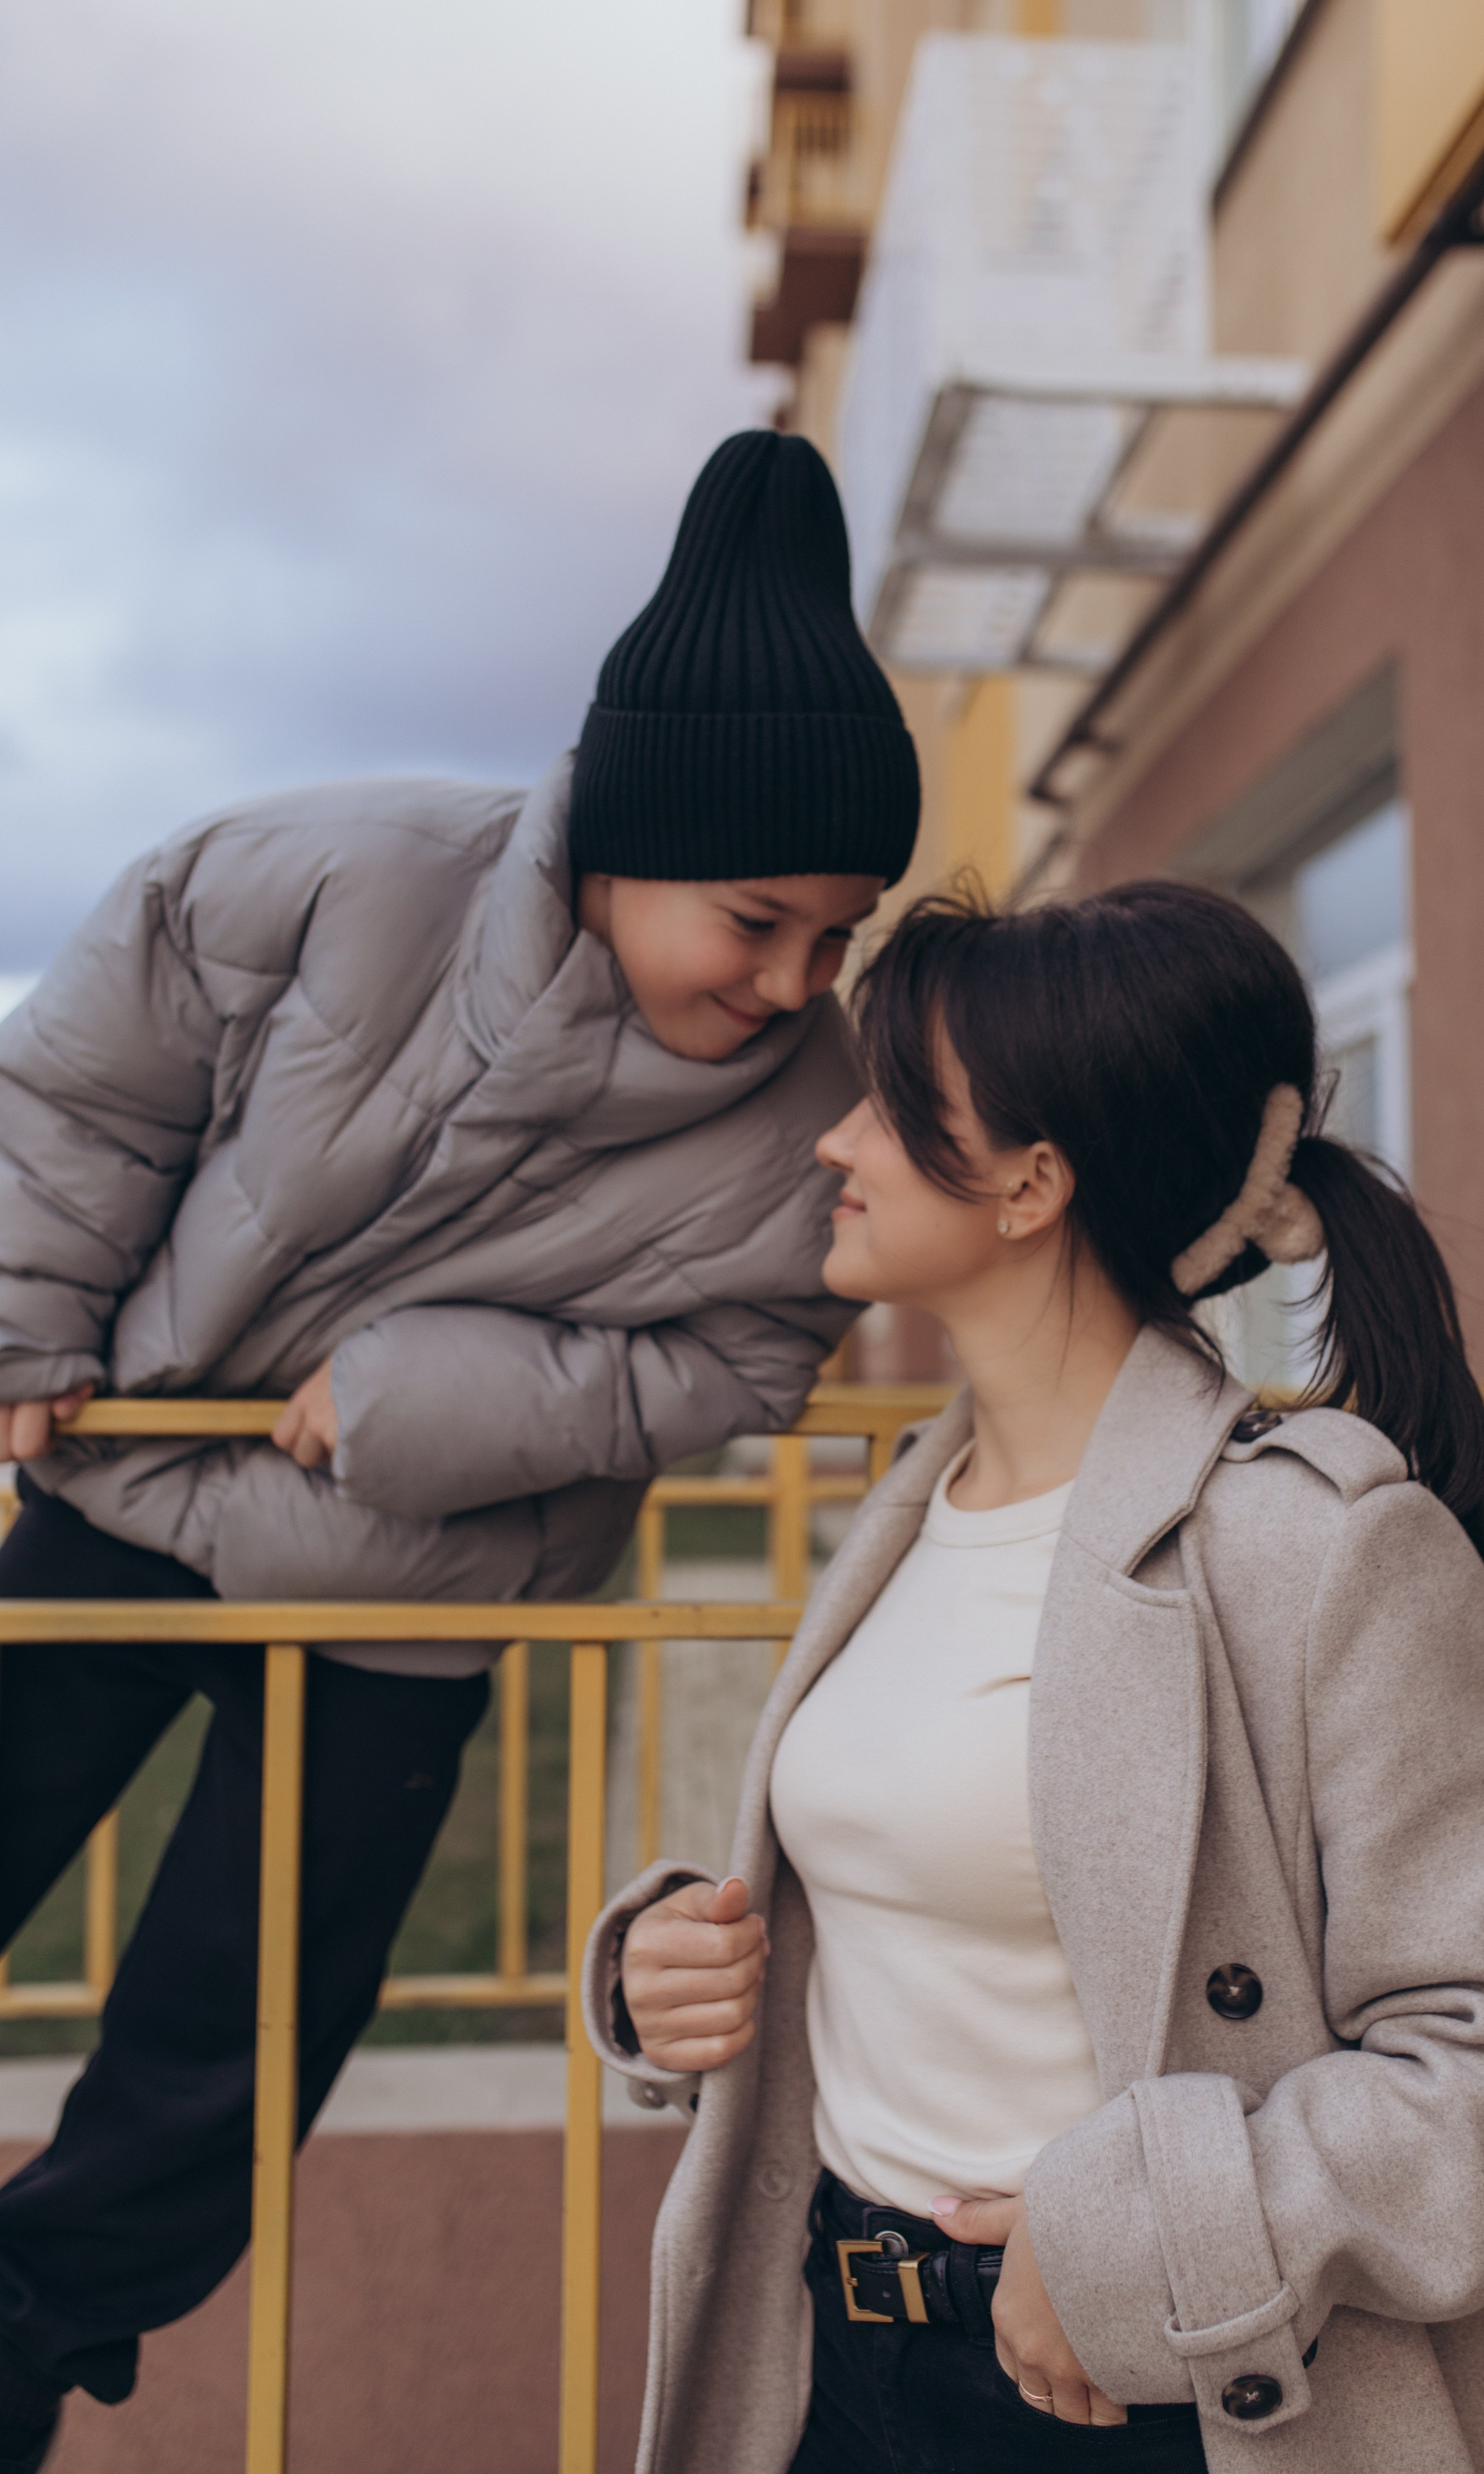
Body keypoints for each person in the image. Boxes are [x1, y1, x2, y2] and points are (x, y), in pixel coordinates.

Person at [0, 429, 918, 2469]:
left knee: (223, 2051)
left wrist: (430, 1401)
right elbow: (85, 1092)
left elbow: (747, 1363)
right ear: (618, 834)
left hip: (411, 1594)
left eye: (835, 941)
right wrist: (21, 1327)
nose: (787, 987)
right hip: (131, 1489)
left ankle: (25, 2339)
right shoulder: (342, 871)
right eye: (755, 920)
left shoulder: (816, 1108)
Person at [585, 882, 1484, 2474]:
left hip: (1149, 2393)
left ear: (1028, 1181)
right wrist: (670, 1969)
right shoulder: (903, 1518)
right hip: (827, 2361)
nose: (836, 1143)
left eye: (889, 1106)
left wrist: (1148, 2247)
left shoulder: (1311, 1542)